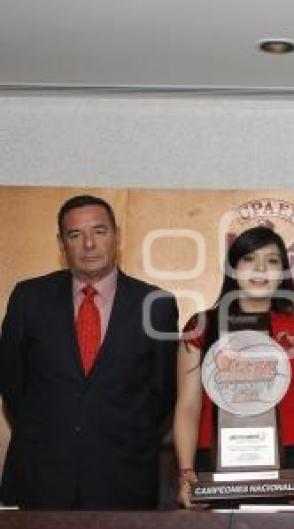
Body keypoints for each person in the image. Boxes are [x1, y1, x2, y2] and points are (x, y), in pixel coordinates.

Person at [0, 195, 178, 509]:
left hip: (124, 480)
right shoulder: (28, 298)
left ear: (117, 236)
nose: (89, 244)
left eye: (99, 231)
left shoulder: (156, 304)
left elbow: (162, 395)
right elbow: (13, 385)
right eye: (75, 235)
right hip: (40, 478)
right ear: (61, 243)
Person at [173, 226, 294, 507]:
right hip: (212, 460)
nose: (261, 268)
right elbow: (187, 407)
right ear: (233, 268)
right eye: (249, 259)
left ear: (282, 272)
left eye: (271, 261)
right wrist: (186, 472)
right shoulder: (200, 327)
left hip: (289, 460)